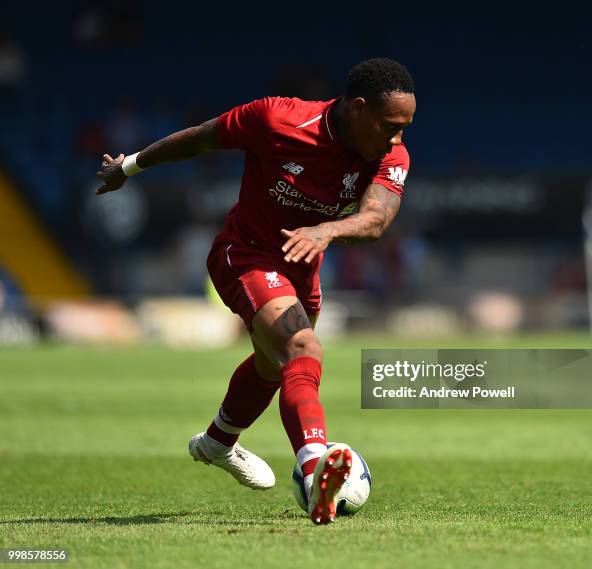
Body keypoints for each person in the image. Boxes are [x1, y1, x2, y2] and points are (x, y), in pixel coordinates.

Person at [96, 57, 416, 525]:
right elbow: (202, 138)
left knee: (274, 366)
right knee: (302, 348)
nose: (397, 139)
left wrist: (325, 232)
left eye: (405, 128)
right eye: (390, 126)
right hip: (244, 255)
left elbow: (378, 218)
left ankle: (218, 442)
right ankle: (314, 469)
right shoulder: (278, 118)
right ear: (358, 108)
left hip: (302, 271)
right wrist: (130, 165)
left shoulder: (391, 154)